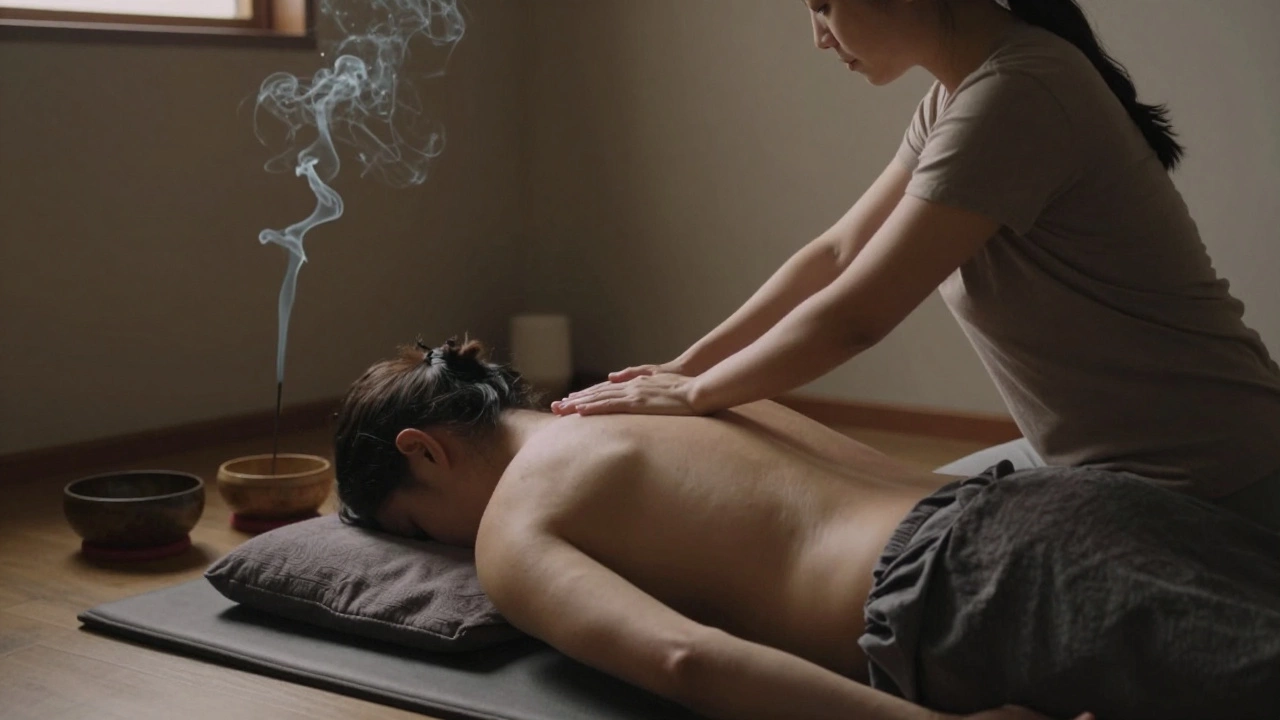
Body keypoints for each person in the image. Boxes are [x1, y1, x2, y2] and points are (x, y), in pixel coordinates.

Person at [549, 0, 1280, 532]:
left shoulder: (1021, 91)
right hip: (1087, 464)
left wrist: (698, 394)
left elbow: (855, 318)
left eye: (824, 4)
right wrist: (682, 366)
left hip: (1210, 478)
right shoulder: (959, 95)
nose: (818, 36)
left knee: (896, 563)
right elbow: (836, 254)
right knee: (886, 530)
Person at [334, 338, 1280, 720]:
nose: (447, 549)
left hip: (976, 590)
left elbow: (684, 660)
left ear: (424, 451)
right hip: (1057, 503)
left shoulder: (513, 525)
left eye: (421, 529)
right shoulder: (647, 387)